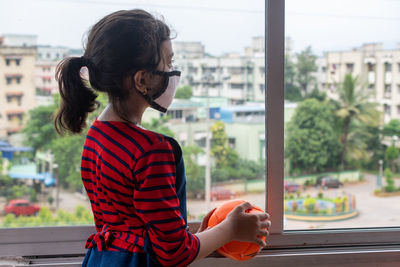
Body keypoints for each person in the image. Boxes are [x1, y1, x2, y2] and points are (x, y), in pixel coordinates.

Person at [54, 9, 271, 267]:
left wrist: (198, 237)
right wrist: (230, 230)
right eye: (167, 63)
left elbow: (133, 226)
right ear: (142, 80)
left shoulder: (96, 136)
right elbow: (173, 254)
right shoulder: (151, 151)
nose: (172, 72)